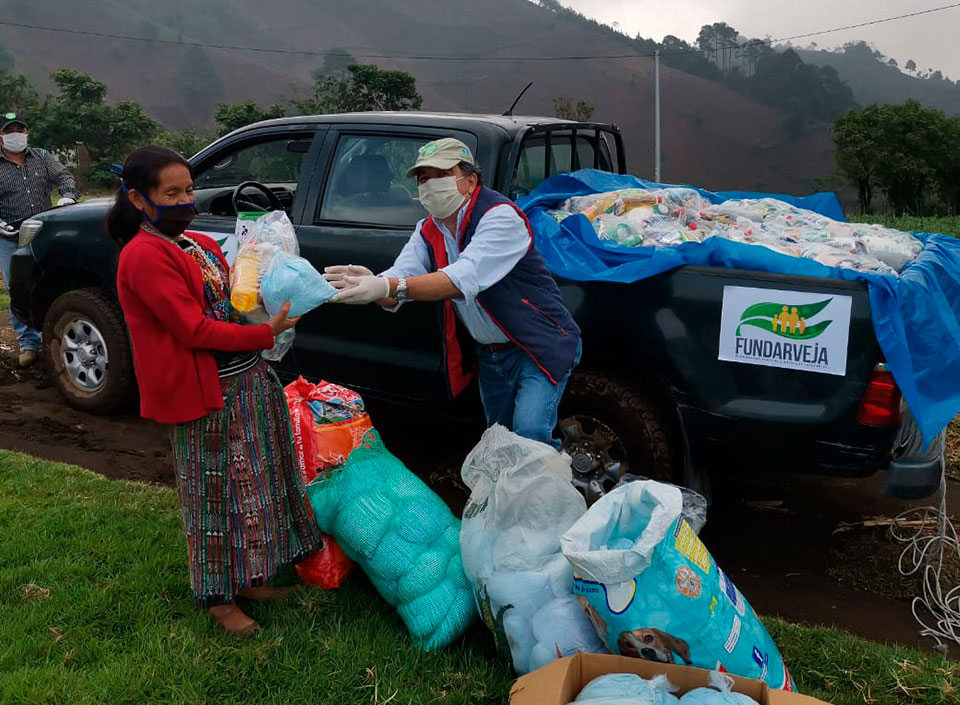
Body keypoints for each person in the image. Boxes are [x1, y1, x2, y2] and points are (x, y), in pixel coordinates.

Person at [108, 145, 323, 636]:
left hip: (243, 382)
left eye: (188, 189)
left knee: (254, 483)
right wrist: (266, 332)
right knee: (210, 495)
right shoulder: (142, 257)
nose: (185, 199)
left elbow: (230, 298)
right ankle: (217, 598)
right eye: (171, 193)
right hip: (201, 394)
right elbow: (193, 331)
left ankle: (249, 576)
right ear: (139, 200)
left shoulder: (196, 243)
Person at [325, 138, 581, 448]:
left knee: (530, 438)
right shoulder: (427, 229)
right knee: (499, 442)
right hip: (491, 354)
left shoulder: (500, 217)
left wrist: (388, 286)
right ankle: (507, 497)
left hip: (535, 345)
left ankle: (548, 496)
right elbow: (403, 274)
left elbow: (460, 279)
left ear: (470, 180)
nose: (430, 186)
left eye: (441, 175)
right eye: (423, 179)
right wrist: (373, 283)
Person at [0, 112, 80, 367]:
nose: (16, 135)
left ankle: (60, 335)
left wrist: (68, 195)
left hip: (44, 232)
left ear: (27, 133)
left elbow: (65, 176)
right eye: (10, 131)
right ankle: (29, 344)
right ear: (1, 136)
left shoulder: (42, 157)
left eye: (20, 130)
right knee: (17, 288)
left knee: (55, 282)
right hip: (10, 235)